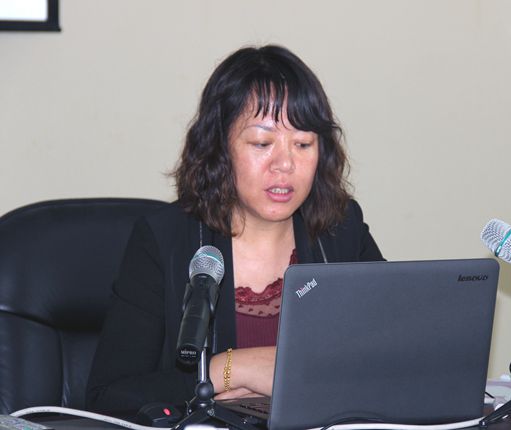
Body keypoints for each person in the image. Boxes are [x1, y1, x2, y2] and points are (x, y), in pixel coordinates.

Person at [86, 44, 384, 413]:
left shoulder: (340, 230)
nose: (285, 164)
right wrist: (233, 369)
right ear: (220, 148)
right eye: (262, 143)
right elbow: (107, 397)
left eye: (303, 144)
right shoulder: (165, 241)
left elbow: (394, 356)